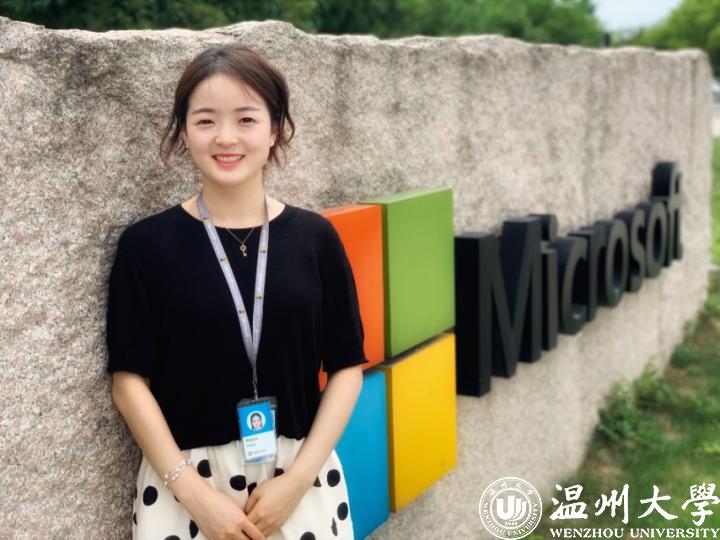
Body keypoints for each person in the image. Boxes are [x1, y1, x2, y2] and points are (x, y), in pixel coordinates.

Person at [106, 44, 368, 540]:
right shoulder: (146, 245)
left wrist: (298, 481)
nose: (225, 137)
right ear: (184, 131)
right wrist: (194, 495)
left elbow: (347, 367)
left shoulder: (315, 238)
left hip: (299, 480)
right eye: (205, 121)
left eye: (246, 119)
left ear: (274, 129)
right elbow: (128, 383)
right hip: (185, 487)